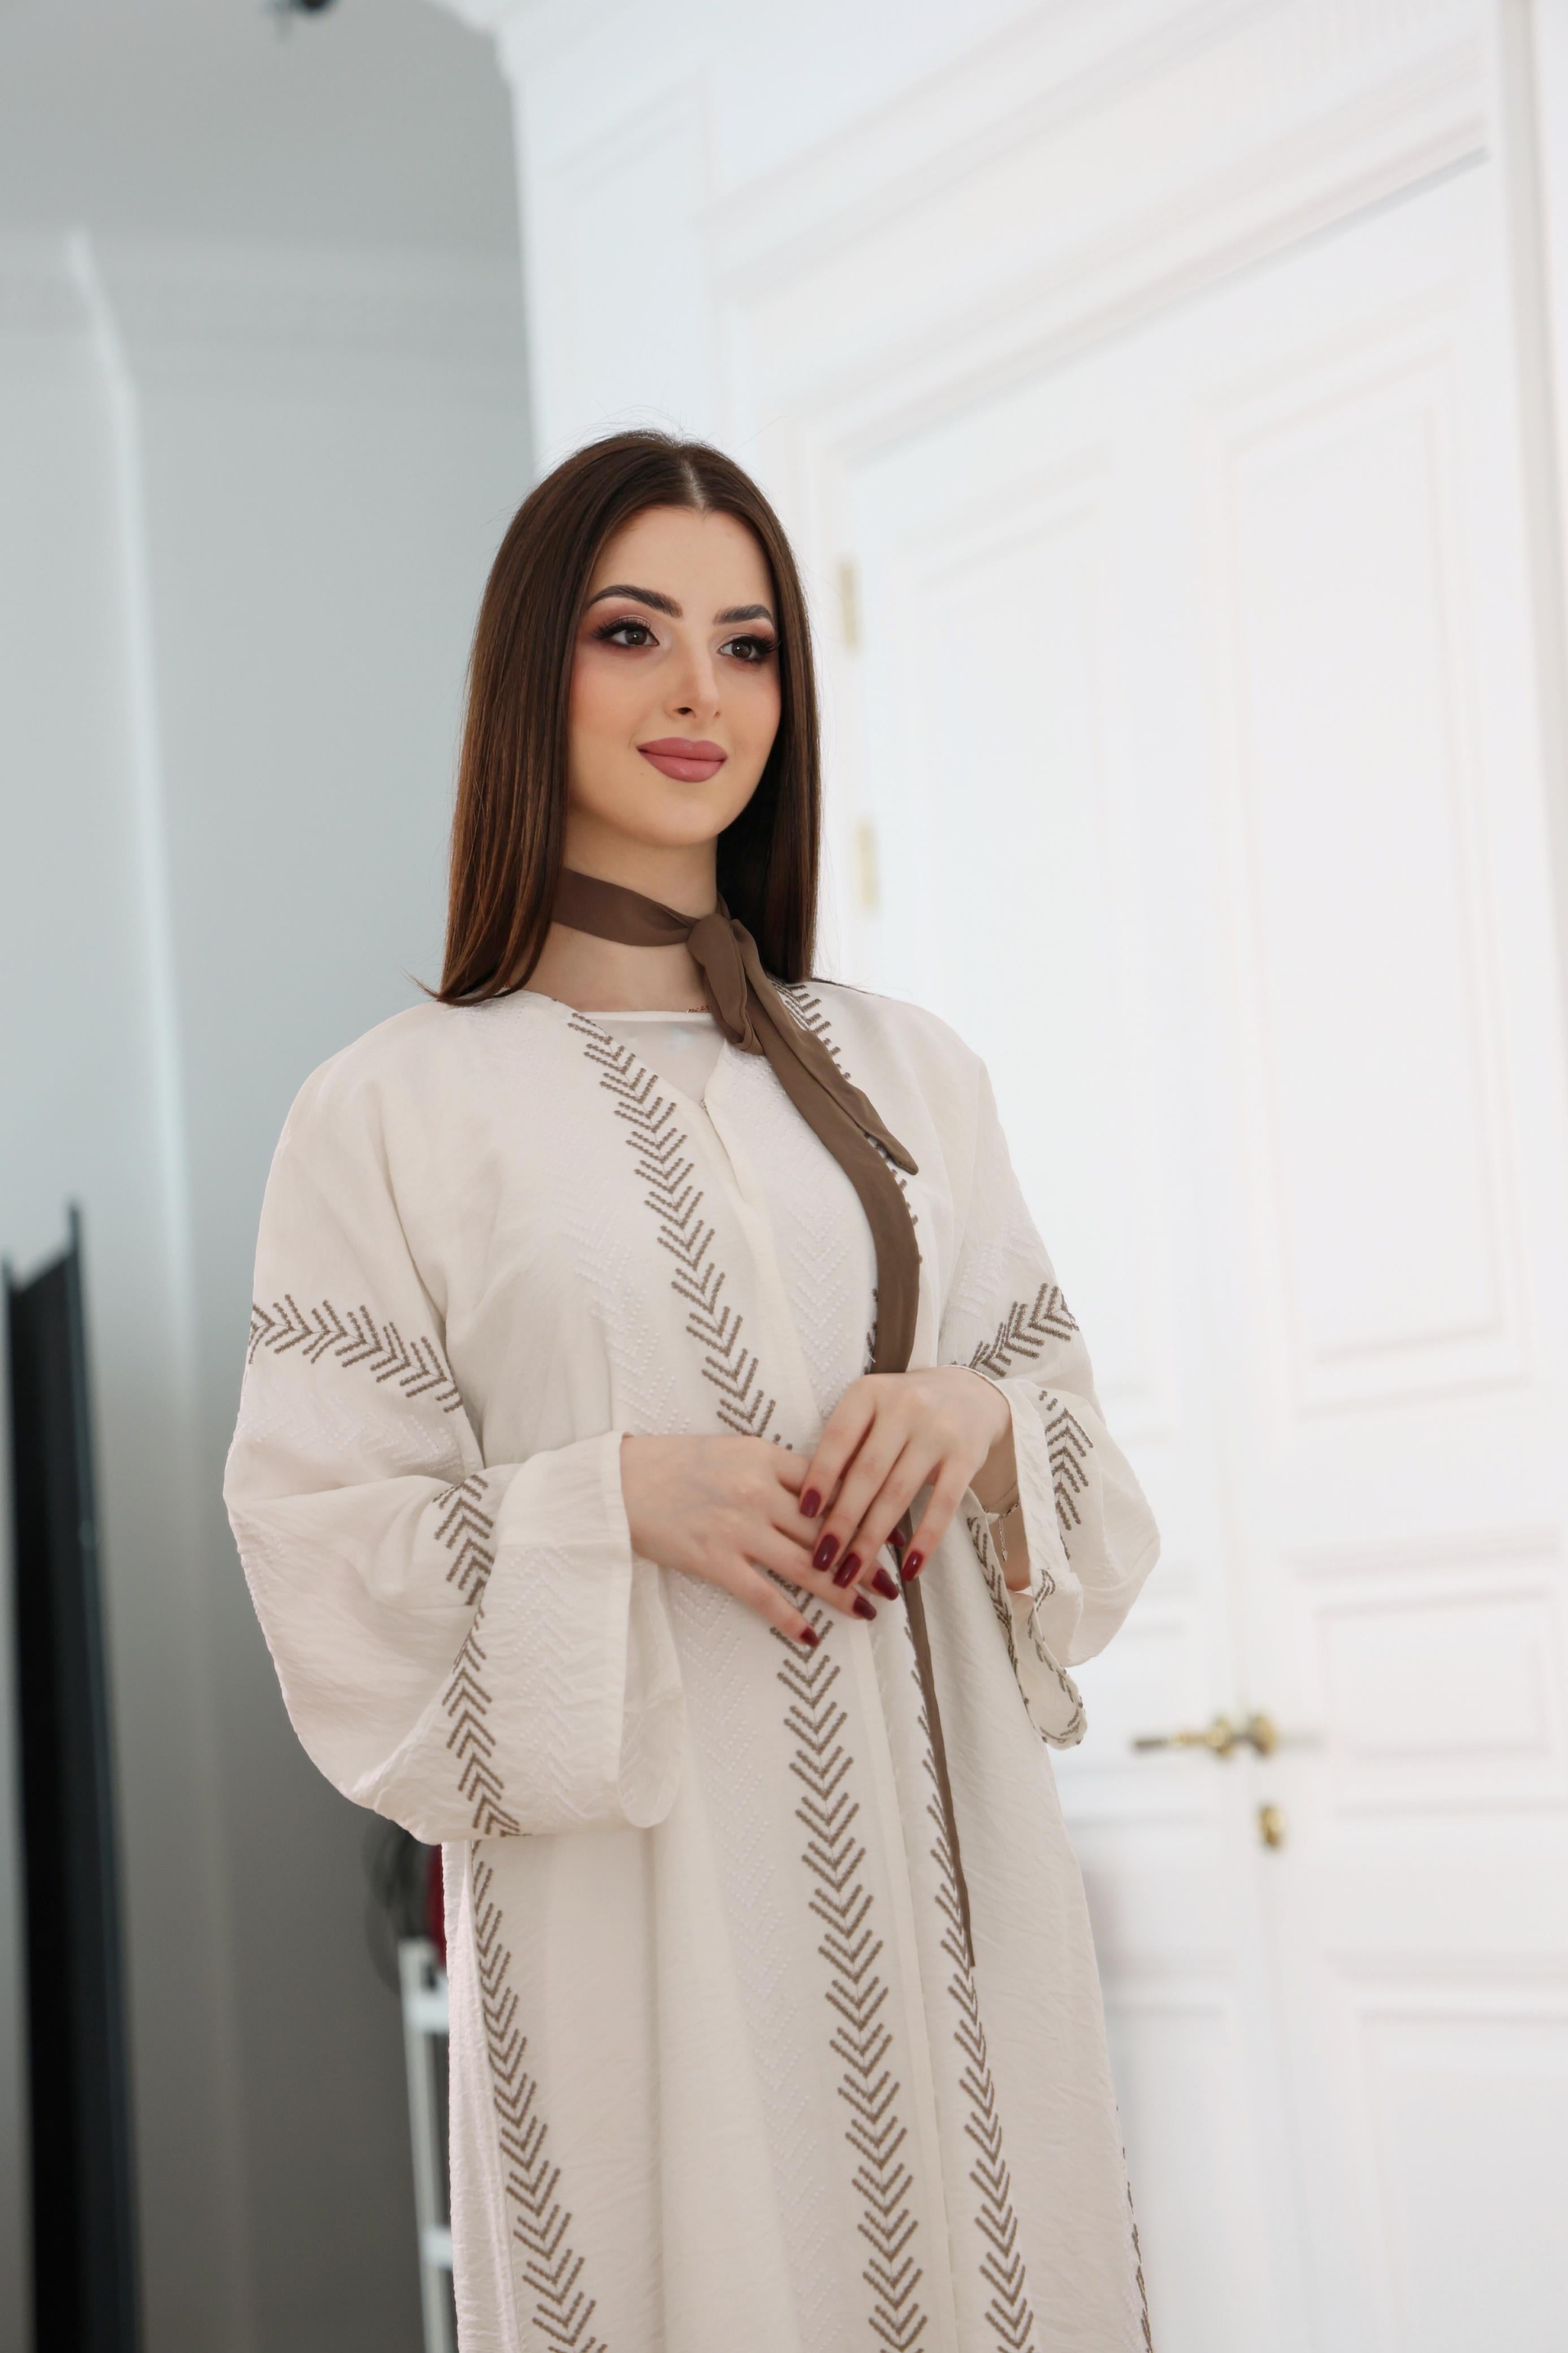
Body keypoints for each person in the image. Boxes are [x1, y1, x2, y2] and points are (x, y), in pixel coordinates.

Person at [224, 430, 1161, 2352]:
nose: (696, 695)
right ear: (527, 674)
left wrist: (982, 1427)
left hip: (956, 1901)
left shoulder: (911, 1075)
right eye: (633, 630)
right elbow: (320, 1546)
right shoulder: (396, 1109)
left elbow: (1081, 1472)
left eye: (749, 647)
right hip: (641, 1932)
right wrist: (612, 1498)